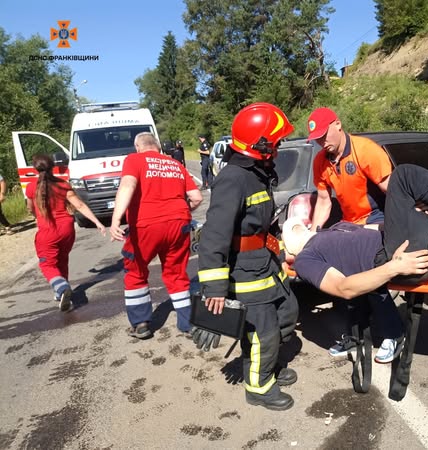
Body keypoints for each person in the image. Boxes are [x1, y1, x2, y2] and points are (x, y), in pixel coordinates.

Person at [282, 162, 428, 357]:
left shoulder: (335, 229)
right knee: (402, 176)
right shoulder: (305, 259)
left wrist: (411, 211)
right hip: (400, 257)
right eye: (295, 229)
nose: (301, 228)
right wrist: (394, 267)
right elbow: (344, 288)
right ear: (291, 248)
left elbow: (380, 227)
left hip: (417, 241)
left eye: (299, 226)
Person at [195, 103, 299, 411]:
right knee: (263, 332)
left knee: (287, 314)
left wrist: (280, 248)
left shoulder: (257, 173)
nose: (278, 147)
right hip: (245, 271)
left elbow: (261, 222)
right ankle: (259, 386)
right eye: (275, 142)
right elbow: (214, 234)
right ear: (260, 145)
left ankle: (266, 363)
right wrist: (214, 289)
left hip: (266, 262)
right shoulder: (234, 178)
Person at [306, 107, 396, 357]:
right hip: (350, 223)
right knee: (342, 278)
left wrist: (402, 222)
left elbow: (393, 191)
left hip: (378, 217)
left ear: (337, 124)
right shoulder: (321, 161)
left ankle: (393, 334)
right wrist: (313, 233)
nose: (322, 143)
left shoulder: (366, 150)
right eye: (317, 139)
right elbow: (323, 201)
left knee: (370, 272)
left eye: (324, 135)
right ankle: (354, 337)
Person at [109, 132, 202, 339]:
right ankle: (188, 324)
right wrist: (180, 213)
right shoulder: (175, 165)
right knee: (176, 273)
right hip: (179, 223)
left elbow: (128, 185)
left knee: (136, 270)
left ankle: (141, 323)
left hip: (146, 225)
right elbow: (196, 197)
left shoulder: (134, 160)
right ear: (158, 147)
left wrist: (116, 219)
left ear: (138, 147)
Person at [25, 154, 105, 311]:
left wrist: (37, 216)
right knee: (62, 259)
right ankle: (61, 292)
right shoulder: (63, 185)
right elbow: (80, 205)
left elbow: (30, 208)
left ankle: (62, 289)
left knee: (47, 264)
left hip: (48, 231)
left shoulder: (31, 187)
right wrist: (97, 222)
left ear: (35, 169)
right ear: (53, 167)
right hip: (67, 229)